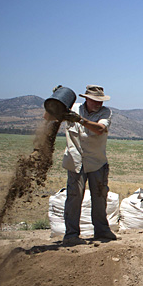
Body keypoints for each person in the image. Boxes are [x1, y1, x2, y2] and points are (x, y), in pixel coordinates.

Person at [61, 85, 116, 246]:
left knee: (99, 196)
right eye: (95, 101)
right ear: (86, 99)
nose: (98, 104)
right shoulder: (72, 108)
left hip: (96, 161)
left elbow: (100, 129)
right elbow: (49, 116)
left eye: (100, 101)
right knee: (74, 197)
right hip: (75, 160)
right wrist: (57, 101)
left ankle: (101, 230)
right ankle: (71, 234)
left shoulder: (105, 113)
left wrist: (80, 120)